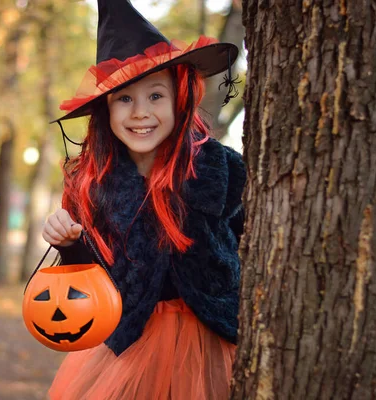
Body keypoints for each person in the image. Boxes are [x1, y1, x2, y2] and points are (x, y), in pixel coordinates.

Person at [41, 1, 245, 399]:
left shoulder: (220, 169)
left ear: (179, 100)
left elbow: (252, 242)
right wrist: (69, 246)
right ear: (106, 110)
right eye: (125, 99)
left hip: (213, 340)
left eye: (155, 96)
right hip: (129, 346)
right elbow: (91, 281)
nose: (140, 113)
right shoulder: (93, 184)